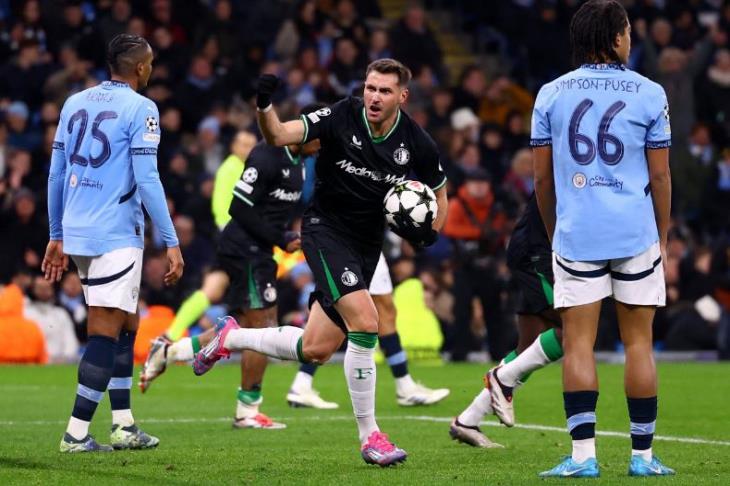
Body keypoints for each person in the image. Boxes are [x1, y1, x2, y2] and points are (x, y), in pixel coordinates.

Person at [194, 58, 448, 466]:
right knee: (367, 322)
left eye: (384, 91)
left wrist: (431, 231)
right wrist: (264, 106)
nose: (374, 97)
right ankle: (371, 437)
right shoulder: (339, 115)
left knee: (315, 348)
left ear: (402, 96)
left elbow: (439, 192)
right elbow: (278, 135)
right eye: (370, 88)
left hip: (367, 245)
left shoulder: (417, 142)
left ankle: (231, 338)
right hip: (325, 231)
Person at [531, 1, 674, 477]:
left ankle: (582, 459)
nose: (631, 38)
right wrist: (663, 236)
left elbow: (542, 181)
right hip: (635, 233)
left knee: (578, 345)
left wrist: (556, 232)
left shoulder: (550, 94)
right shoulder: (650, 93)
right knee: (639, 345)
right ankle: (643, 457)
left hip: (577, 234)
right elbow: (660, 176)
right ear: (615, 39)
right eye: (628, 31)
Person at [43, 33, 183, 453]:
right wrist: (171, 241)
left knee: (127, 322)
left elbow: (55, 174)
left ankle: (123, 425)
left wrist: (56, 233)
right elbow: (147, 178)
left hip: (80, 228)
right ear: (140, 68)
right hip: (115, 232)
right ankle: (76, 434)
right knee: (105, 329)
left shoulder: (75, 102)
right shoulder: (143, 109)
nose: (153, 68)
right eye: (151, 62)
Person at [140, 137, 323, 427]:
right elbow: (238, 208)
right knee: (263, 328)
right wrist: (279, 237)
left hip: (257, 249)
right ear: (307, 132)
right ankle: (247, 410)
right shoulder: (266, 157)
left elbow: (270, 212)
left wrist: (285, 236)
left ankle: (169, 351)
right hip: (245, 250)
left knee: (240, 327)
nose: (322, 146)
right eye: (321, 138)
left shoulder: (299, 163)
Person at [449, 193, 563, 448]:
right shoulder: (566, 157)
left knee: (529, 348)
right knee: (574, 329)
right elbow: (545, 182)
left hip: (544, 248)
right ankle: (502, 378)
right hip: (542, 251)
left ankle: (468, 420)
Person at [287, 253, 450, 408]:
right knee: (341, 308)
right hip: (351, 241)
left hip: (365, 240)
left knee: (383, 309)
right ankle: (298, 379)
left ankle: (405, 385)